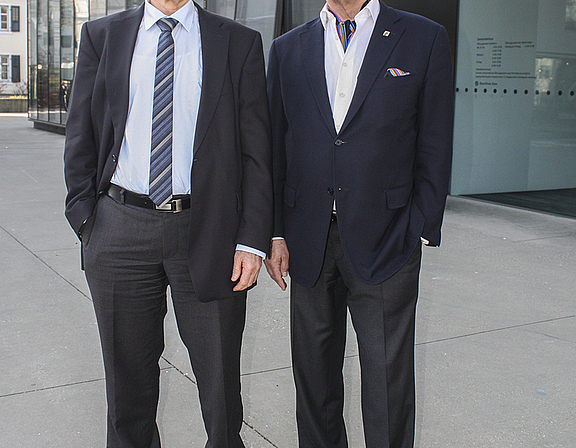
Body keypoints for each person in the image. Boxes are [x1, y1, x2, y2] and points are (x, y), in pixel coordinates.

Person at [63, 0, 273, 446]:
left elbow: (257, 152)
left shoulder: (238, 42)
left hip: (209, 229)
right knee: (127, 392)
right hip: (119, 228)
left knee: (220, 390)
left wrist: (252, 239)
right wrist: (87, 220)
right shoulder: (103, 36)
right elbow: (81, 129)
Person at [265, 0, 453, 447]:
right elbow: (274, 147)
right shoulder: (287, 49)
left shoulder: (423, 38)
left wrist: (419, 226)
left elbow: (435, 140)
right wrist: (273, 232)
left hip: (388, 240)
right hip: (305, 240)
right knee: (314, 385)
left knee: (388, 387)